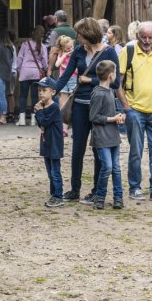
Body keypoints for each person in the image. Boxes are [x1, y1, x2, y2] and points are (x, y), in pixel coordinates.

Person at [57, 18, 117, 202]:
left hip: (100, 106)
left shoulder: (109, 52)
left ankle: (97, 191)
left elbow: (116, 81)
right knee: (77, 149)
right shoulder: (78, 52)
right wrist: (51, 91)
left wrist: (91, 81)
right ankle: (74, 189)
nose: (77, 37)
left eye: (80, 34)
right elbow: (66, 75)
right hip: (80, 106)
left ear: (88, 34)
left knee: (99, 149)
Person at [119, 21, 152, 202]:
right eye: (143, 37)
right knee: (136, 150)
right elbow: (119, 80)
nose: (147, 41)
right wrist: (125, 104)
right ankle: (135, 187)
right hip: (135, 110)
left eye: (150, 37)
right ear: (137, 36)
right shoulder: (128, 51)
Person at [88, 61, 127, 210]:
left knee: (116, 168)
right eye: (115, 73)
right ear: (111, 75)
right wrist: (112, 119)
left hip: (113, 136)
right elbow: (93, 117)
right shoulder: (98, 93)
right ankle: (100, 197)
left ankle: (118, 198)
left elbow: (111, 111)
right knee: (107, 167)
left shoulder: (110, 91)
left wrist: (119, 115)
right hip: (101, 137)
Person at [36, 81, 65, 208]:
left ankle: (58, 195)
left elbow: (45, 122)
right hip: (46, 143)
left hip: (54, 144)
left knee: (55, 172)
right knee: (49, 172)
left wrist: (38, 112)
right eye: (40, 91)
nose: (41, 93)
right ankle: (53, 194)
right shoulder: (43, 107)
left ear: (52, 92)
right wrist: (39, 113)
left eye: (44, 90)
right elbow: (41, 124)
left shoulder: (53, 108)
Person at [15, 26, 49, 127]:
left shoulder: (25, 44)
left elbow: (20, 58)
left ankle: (22, 119)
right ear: (43, 34)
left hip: (25, 72)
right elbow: (44, 61)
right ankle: (34, 120)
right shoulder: (42, 46)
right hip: (36, 73)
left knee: (23, 96)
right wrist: (45, 69)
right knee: (35, 96)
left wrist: (19, 70)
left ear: (32, 33)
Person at [0, 30, 17, 124]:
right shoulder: (10, 48)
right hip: (7, 74)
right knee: (1, 95)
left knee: (0, 96)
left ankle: (3, 117)